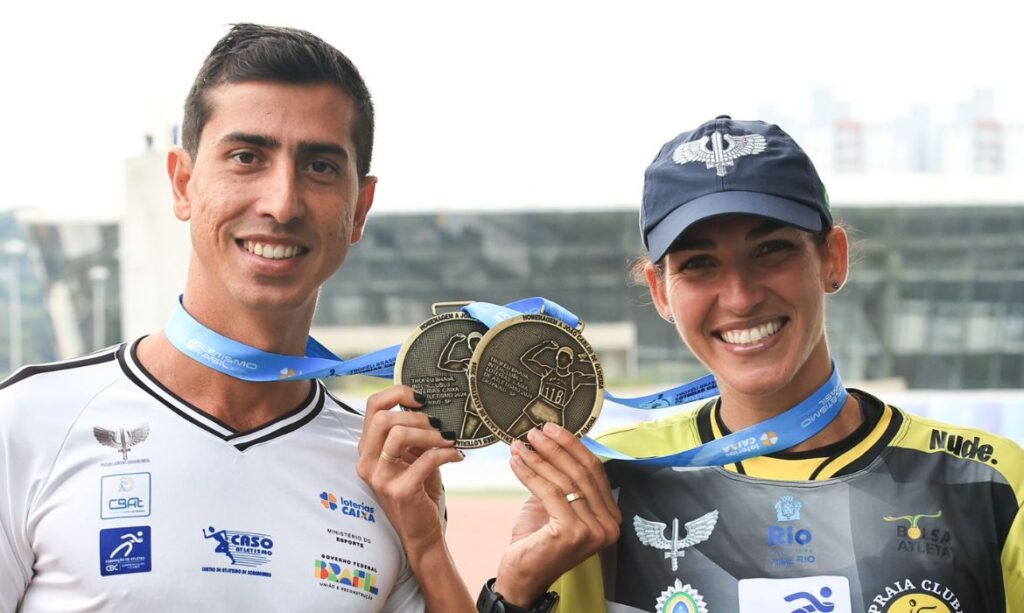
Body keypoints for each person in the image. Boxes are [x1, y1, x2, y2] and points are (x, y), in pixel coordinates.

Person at [0, 23, 471, 612]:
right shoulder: (26, 424)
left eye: (320, 167)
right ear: (183, 183)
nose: (281, 202)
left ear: (360, 210)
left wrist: (428, 548)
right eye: (247, 157)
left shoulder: (387, 470)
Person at [482, 117, 1024, 611]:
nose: (740, 297)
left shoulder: (988, 480)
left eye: (771, 251)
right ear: (661, 292)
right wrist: (517, 589)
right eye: (699, 265)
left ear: (832, 258)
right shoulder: (604, 486)